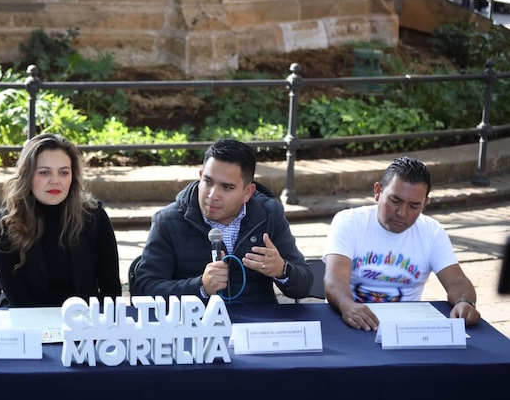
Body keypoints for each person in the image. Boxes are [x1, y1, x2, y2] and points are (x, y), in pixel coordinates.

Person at [133, 138, 313, 304]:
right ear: (200, 176)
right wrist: (200, 287)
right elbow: (144, 291)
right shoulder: (168, 221)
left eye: (227, 187)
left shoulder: (269, 215)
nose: (213, 195)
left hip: (257, 323)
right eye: (208, 182)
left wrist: (283, 270)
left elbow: (304, 285)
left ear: (247, 192)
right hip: (195, 324)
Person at [322, 156, 480, 331]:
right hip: (351, 322)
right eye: (395, 201)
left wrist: (465, 303)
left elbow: (457, 281)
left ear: (425, 203)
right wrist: (347, 304)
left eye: (414, 206)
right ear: (378, 191)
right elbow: (335, 279)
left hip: (406, 329)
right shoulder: (349, 222)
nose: (402, 213)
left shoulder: (432, 231)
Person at [0, 133, 121, 307]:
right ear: (27, 176)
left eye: (64, 172)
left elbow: (111, 289)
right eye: (44, 172)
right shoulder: (6, 223)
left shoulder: (94, 217)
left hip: (83, 318)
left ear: (72, 177)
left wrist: (97, 321)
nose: (55, 181)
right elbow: (18, 299)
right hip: (23, 316)